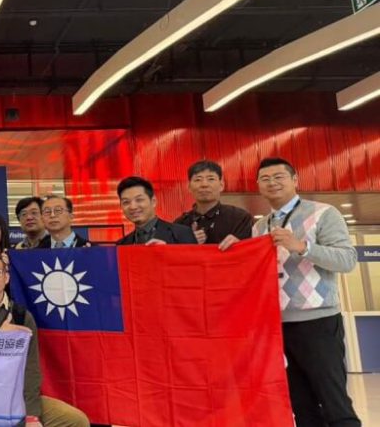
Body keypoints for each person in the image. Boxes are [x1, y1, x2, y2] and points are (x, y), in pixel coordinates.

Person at [219, 158, 360, 426]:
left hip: (318, 321)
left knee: (334, 403)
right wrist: (241, 250)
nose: (272, 182)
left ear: (295, 180)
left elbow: (347, 260)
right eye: (265, 178)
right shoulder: (260, 227)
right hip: (278, 326)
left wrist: (302, 247)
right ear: (258, 186)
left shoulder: (323, 213)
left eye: (279, 176)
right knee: (302, 405)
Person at [0, 255, 90, 427]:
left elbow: (31, 368)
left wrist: (32, 415)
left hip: (14, 395)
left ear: (6, 277)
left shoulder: (22, 316)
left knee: (76, 420)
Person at [173, 160, 254, 245]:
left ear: (221, 185)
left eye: (211, 179)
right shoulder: (180, 224)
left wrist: (238, 244)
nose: (204, 184)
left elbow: (250, 249)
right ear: (189, 187)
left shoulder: (240, 218)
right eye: (198, 180)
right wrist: (188, 242)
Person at [115, 176, 197, 245]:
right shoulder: (121, 245)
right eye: (126, 202)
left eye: (139, 200)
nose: (133, 207)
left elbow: (194, 260)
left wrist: (169, 253)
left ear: (153, 201)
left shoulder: (182, 233)